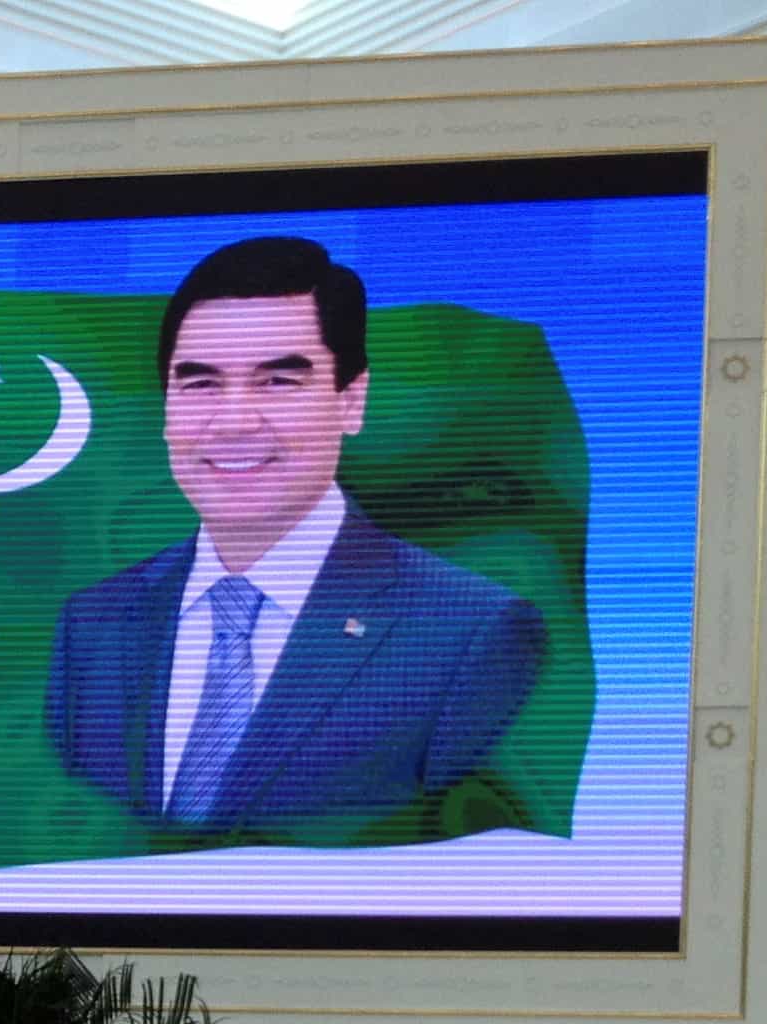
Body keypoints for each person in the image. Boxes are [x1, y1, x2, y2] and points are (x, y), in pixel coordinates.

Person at [45, 235, 546, 839]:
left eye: (279, 382)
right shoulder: (94, 623)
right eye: (199, 384)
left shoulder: (469, 631)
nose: (233, 422)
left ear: (351, 401)